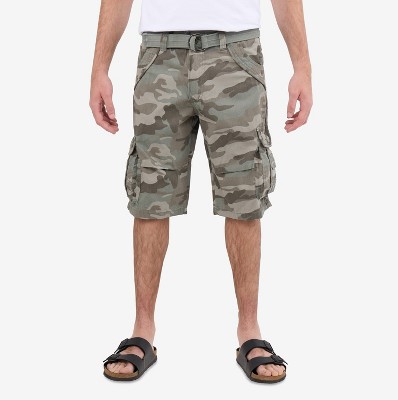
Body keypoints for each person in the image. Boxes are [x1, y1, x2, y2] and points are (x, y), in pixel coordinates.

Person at [89, 0, 312, 384]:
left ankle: (250, 331)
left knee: (243, 196)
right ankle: (143, 330)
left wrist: (302, 66)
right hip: (160, 56)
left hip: (235, 54)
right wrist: (99, 68)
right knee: (150, 195)